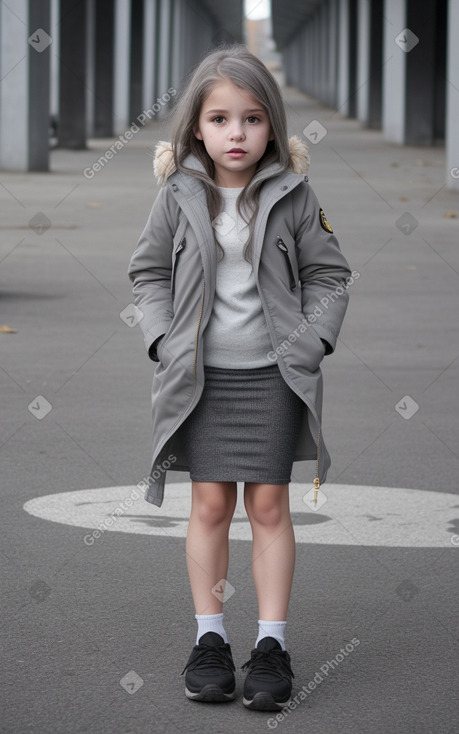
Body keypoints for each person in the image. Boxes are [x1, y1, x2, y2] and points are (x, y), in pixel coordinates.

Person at [128, 44, 352, 711]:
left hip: (274, 378)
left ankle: (272, 647)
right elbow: (147, 274)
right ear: (196, 126)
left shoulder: (293, 192)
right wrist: (164, 339)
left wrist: (310, 340)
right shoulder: (176, 195)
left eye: (252, 119)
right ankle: (209, 641)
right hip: (198, 380)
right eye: (221, 119)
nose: (236, 133)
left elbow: (329, 274)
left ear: (272, 127)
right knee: (209, 506)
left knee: (268, 507)